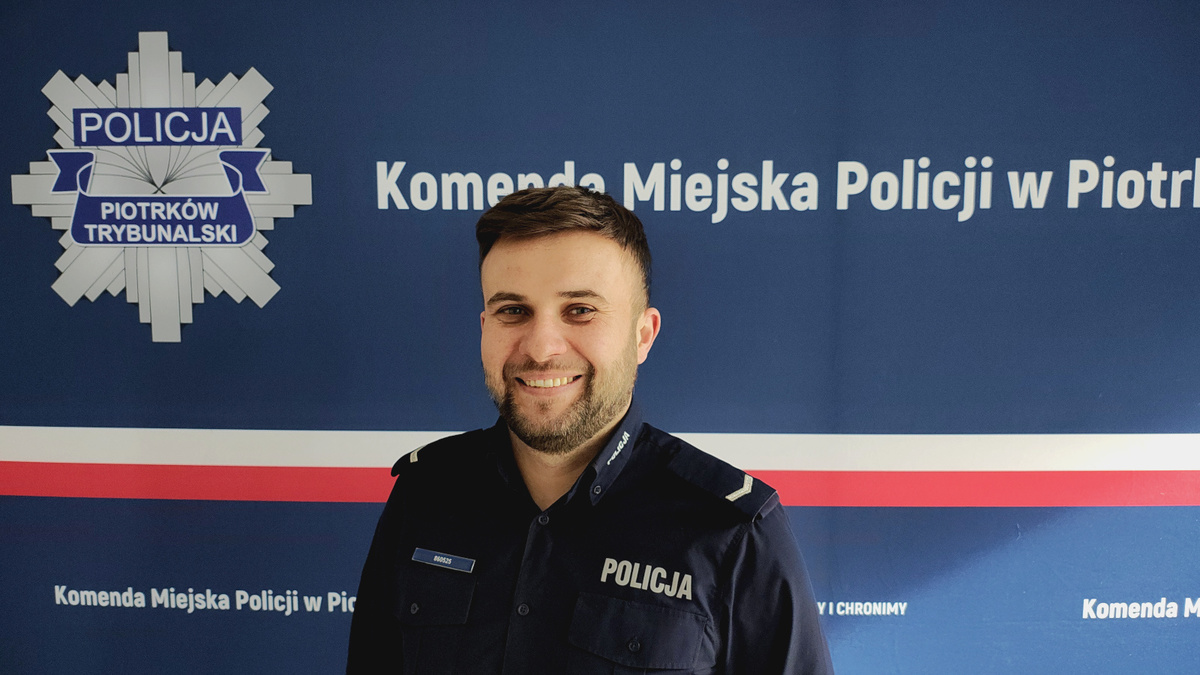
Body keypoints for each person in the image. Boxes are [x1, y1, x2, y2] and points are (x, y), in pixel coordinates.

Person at [347, 186, 832, 674]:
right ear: (484, 326)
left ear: (642, 335)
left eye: (580, 310)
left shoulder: (734, 532)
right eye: (512, 311)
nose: (541, 348)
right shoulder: (424, 494)